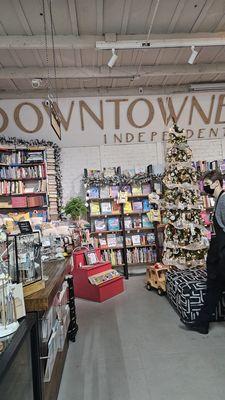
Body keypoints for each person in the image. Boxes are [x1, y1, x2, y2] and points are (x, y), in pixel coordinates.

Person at [181, 169, 225, 334]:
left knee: (213, 289)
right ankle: (202, 323)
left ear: (217, 183)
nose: (205, 188)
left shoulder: (223, 201)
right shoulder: (218, 201)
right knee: (213, 290)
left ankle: (202, 323)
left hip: (221, 257)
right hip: (217, 255)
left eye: (207, 184)